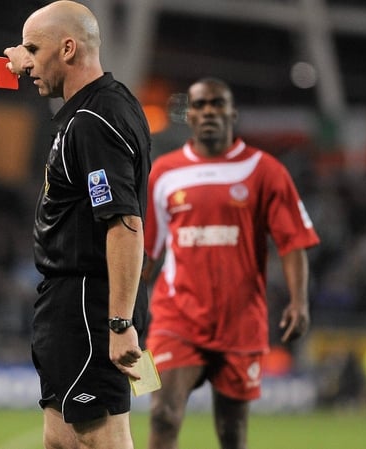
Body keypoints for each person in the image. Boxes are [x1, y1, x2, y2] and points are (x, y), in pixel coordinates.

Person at [142, 78, 320, 449]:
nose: (209, 111)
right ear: (188, 115)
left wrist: (299, 301)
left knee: (232, 433)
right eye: (201, 105)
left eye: (217, 104)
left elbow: (293, 241)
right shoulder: (163, 172)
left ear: (232, 113)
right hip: (176, 317)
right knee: (162, 413)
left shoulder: (265, 170)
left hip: (241, 322)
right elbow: (146, 251)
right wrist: (122, 309)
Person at [4, 2, 152, 448]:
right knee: (61, 438)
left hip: (89, 303)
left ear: (68, 48)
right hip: (75, 302)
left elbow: (124, 222)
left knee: (99, 438)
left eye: (33, 48)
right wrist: (25, 54)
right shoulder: (108, 102)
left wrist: (120, 321)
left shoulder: (91, 123)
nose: (24, 62)